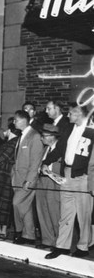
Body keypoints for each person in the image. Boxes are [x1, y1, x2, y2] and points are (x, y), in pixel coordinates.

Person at [44, 104, 94, 259]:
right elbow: (59, 149)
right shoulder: (68, 129)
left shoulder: (91, 132)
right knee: (65, 213)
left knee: (83, 214)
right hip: (67, 174)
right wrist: (46, 162)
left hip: (83, 177)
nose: (68, 116)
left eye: (71, 113)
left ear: (79, 114)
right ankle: (62, 246)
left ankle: (83, 246)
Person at [12, 109, 44, 245]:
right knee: (26, 207)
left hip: (27, 179)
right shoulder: (22, 135)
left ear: (24, 120)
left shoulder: (34, 136)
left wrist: (30, 179)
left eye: (16, 120)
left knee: (17, 203)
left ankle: (19, 231)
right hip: (17, 178)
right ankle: (29, 235)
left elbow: (36, 160)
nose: (14, 122)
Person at [35, 124, 61, 250]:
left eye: (44, 136)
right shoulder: (45, 149)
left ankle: (59, 242)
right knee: (42, 211)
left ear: (52, 136)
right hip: (41, 181)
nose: (41, 138)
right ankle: (47, 240)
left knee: (55, 212)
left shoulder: (61, 150)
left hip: (54, 182)